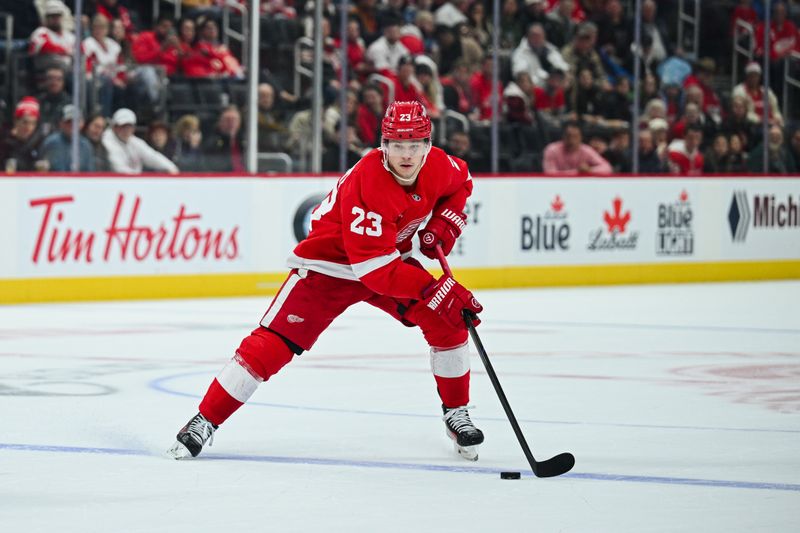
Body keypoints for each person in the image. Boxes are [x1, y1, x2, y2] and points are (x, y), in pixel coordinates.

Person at [167, 101, 486, 461]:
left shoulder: (440, 164)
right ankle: (204, 420)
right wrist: (435, 290)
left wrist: (445, 223)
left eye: (414, 144)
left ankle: (456, 412)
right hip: (329, 267)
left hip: (387, 259)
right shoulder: (370, 181)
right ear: (383, 144)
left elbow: (464, 182)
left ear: (428, 145)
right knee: (272, 344)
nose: (406, 154)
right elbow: (374, 273)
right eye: (397, 144)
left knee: (449, 324)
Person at [102, 108, 179, 174]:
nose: (126, 130)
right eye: (122, 126)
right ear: (114, 127)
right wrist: (139, 178)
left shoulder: (134, 141)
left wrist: (171, 168)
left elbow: (152, 156)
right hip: (116, 184)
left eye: (129, 126)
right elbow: (118, 168)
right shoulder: (107, 140)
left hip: (135, 182)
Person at [543, 121, 612, 174]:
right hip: (558, 186)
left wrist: (590, 170)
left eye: (575, 136)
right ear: (563, 136)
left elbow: (607, 168)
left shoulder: (586, 150)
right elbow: (550, 173)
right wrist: (577, 172)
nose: (572, 140)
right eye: (569, 136)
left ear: (581, 137)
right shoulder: (552, 150)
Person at [41, 105, 95, 171]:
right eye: (68, 121)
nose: (72, 125)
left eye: (75, 122)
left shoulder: (86, 146)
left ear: (82, 124)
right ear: (61, 123)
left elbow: (89, 173)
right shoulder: (50, 143)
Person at [0, 97, 47, 172]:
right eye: (25, 122)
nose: (29, 128)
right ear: (16, 121)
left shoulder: (39, 144)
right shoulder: (5, 144)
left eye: (33, 123)